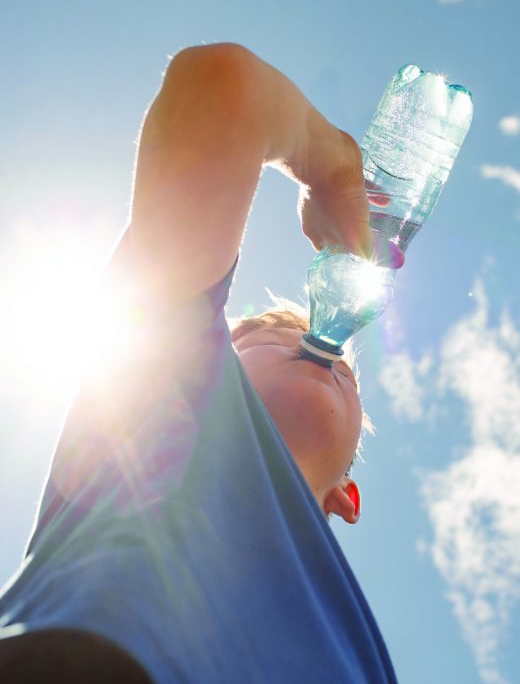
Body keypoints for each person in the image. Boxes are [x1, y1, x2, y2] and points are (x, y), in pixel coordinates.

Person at [0, 43, 401, 682]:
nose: (326, 357)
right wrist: (330, 163)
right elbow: (221, 90)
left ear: (346, 499)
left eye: (350, 377)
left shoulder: (368, 655)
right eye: (267, 336)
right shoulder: (162, 401)